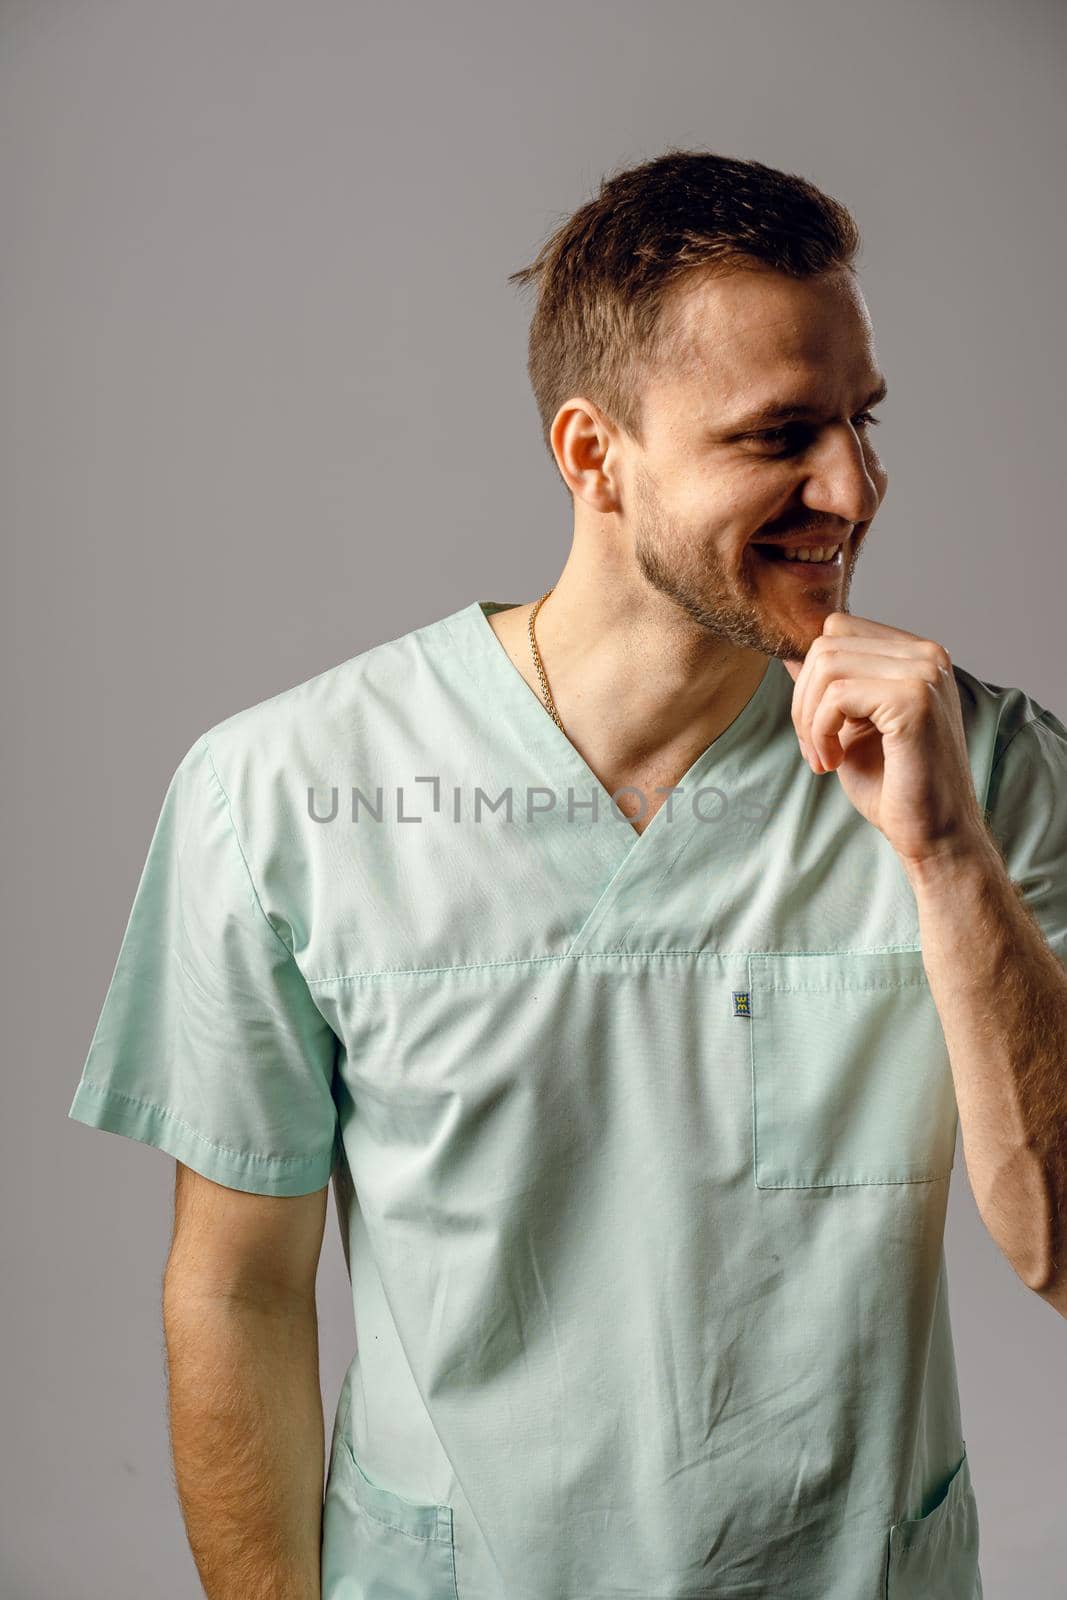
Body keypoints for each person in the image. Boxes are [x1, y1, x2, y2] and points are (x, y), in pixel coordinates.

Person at [67, 148, 1067, 1600]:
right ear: (593, 455)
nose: (851, 486)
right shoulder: (278, 796)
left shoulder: (987, 772)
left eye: (861, 418)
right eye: (780, 432)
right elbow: (237, 1289)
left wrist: (945, 853)